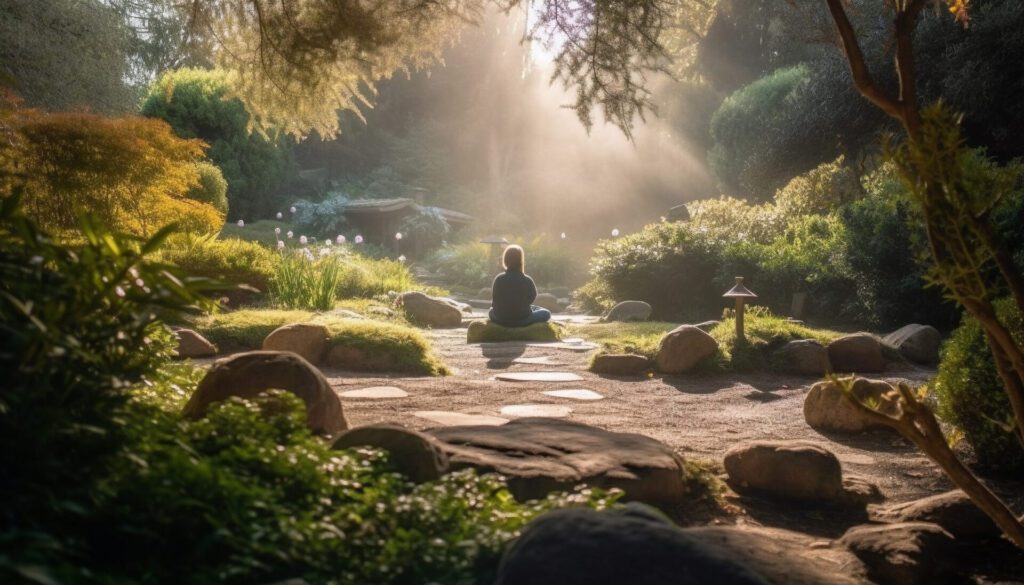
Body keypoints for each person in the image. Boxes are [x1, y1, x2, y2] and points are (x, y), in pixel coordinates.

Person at [489, 244, 551, 327]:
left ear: (505, 260)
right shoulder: (527, 280)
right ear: (521, 261)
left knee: (490, 311)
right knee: (546, 313)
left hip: (501, 319)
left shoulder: (499, 278)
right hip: (522, 320)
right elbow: (531, 298)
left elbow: (495, 300)